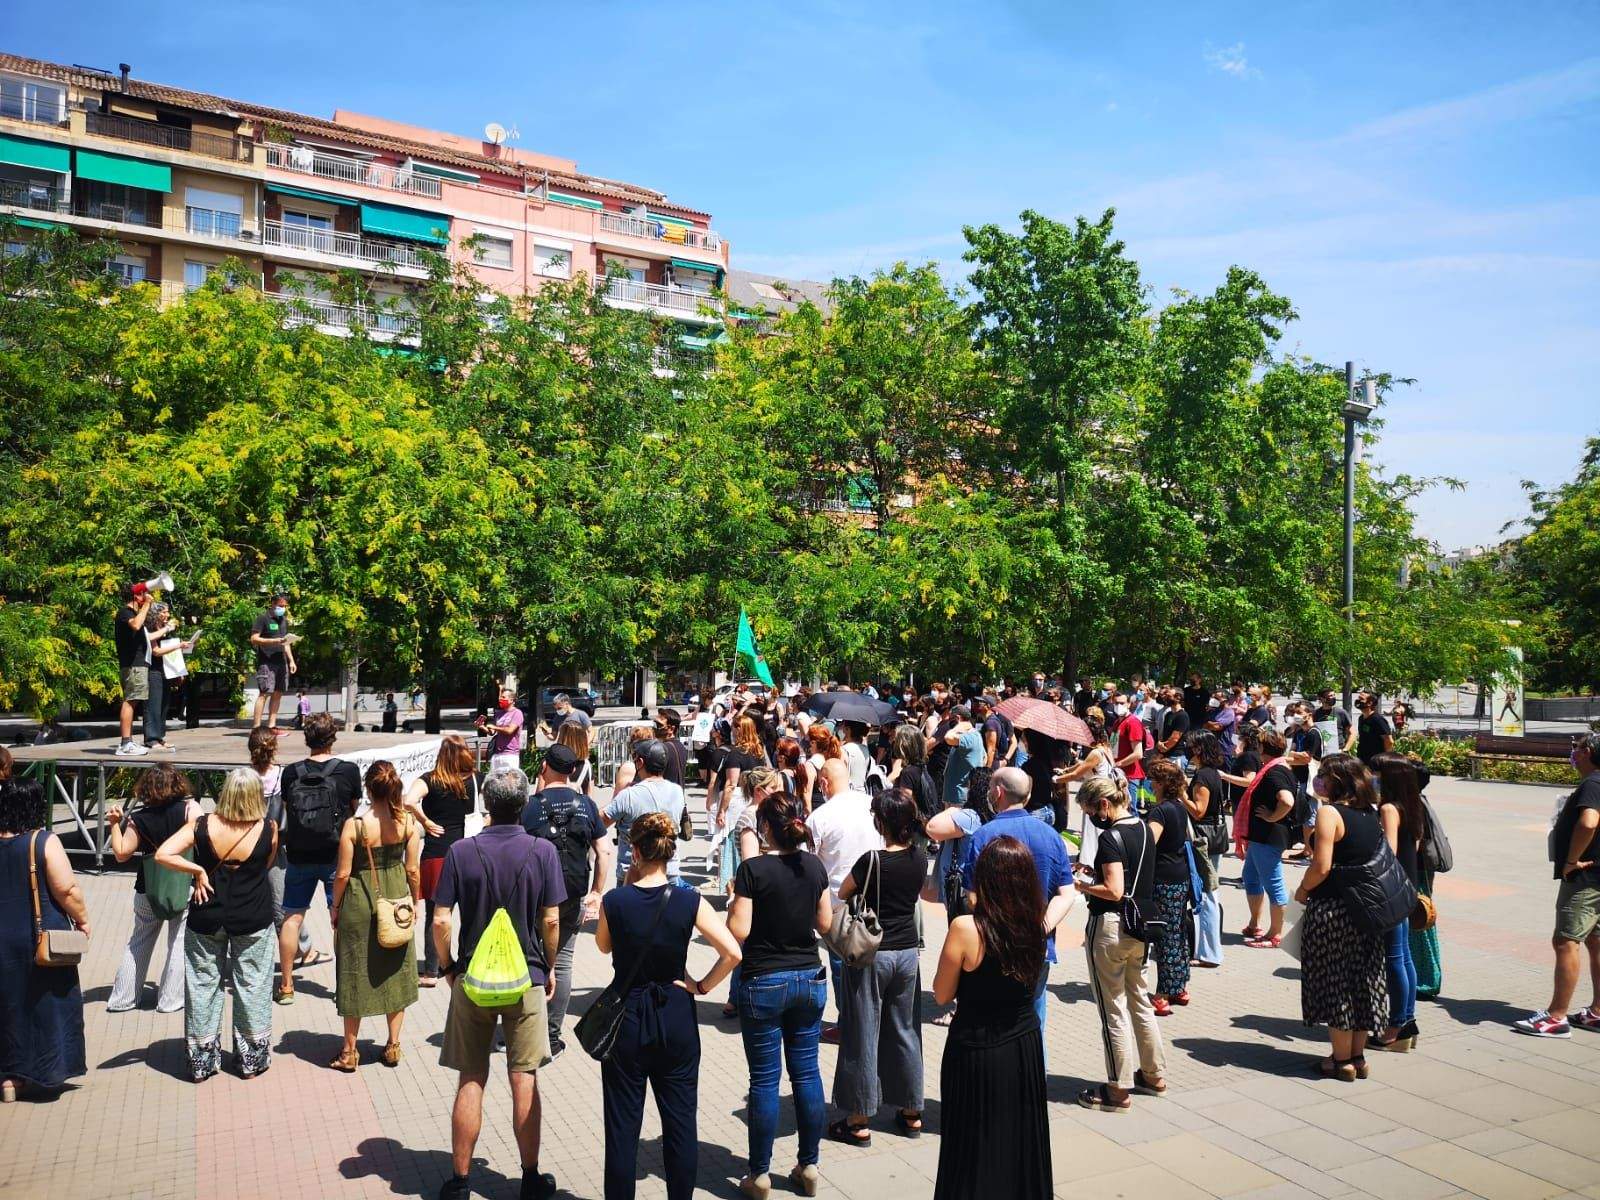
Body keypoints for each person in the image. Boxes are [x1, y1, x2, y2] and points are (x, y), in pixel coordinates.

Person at [432, 768, 565, 1200]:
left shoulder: (461, 851)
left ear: (485, 804)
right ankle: (529, 1179)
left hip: (473, 978)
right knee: (523, 1076)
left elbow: (439, 919)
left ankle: (460, 1181)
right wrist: (547, 966)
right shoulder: (542, 850)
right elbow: (551, 918)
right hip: (525, 978)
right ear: (524, 803)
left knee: (471, 1077)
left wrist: (448, 967)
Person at [596, 813, 740, 1200]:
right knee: (680, 1123)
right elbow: (732, 952)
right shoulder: (689, 900)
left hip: (628, 1015)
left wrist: (626, 886)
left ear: (637, 852)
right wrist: (702, 985)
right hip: (675, 1012)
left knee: (623, 1127)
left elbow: (604, 946)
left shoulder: (615, 901)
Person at [932, 837, 1052, 1196]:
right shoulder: (1036, 922)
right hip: (1023, 1045)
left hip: (977, 1047)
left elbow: (941, 993)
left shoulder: (967, 928)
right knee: (1019, 1141)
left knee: (972, 1145)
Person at [727, 792, 834, 1199]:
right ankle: (809, 1164)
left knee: (765, 1080)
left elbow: (739, 930)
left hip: (764, 980)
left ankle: (759, 1174)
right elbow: (824, 923)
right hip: (809, 976)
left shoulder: (753, 869)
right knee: (807, 1073)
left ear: (766, 828)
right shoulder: (814, 865)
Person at [156, 768, 277, 1081]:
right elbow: (266, 864)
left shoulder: (201, 824)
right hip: (253, 915)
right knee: (252, 985)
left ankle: (201, 1061)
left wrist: (197, 869)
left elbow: (163, 853)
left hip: (206, 912)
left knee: (202, 985)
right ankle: (250, 1059)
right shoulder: (268, 828)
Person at [830, 787, 929, 1145]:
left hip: (872, 953)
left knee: (863, 1030)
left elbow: (843, 893)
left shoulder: (871, 860)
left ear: (882, 821)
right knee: (905, 1029)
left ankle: (858, 1118)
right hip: (906, 954)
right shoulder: (919, 859)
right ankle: (911, 1110)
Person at [959, 767, 1073, 1050]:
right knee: (1034, 1021)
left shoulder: (984, 836)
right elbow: (1067, 894)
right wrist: (1041, 928)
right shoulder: (1051, 836)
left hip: (993, 947)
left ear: (996, 792)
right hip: (1038, 948)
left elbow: (972, 898)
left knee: (993, 1022)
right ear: (1029, 793)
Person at [1292, 755, 1389, 1081]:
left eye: (1322, 775)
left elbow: (1321, 866)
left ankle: (1340, 1060)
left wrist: (1303, 891)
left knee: (1337, 984)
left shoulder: (1329, 813)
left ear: (1336, 780)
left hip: (1333, 910)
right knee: (1362, 981)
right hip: (1366, 911)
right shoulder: (1370, 813)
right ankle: (1358, 1058)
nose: (1317, 780)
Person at [1073, 776, 1167, 1110]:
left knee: (1112, 1008)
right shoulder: (1144, 828)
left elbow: (1114, 890)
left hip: (1111, 925)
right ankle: (1154, 1074)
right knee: (1140, 1000)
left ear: (1103, 805)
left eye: (1089, 811)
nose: (1092, 819)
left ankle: (1117, 1089)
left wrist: (1082, 885)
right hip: (1139, 924)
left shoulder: (1111, 837)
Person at [329, 762, 422, 1071]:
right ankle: (393, 1046)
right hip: (396, 898)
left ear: (368, 789)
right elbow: (412, 869)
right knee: (395, 969)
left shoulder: (354, 827)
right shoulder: (408, 823)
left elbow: (342, 874)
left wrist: (335, 907)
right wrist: (416, 901)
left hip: (359, 899)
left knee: (353, 969)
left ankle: (349, 1051)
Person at [521, 743, 612, 1057]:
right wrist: (597, 892)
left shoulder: (531, 806)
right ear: (573, 770)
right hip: (573, 893)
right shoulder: (586, 804)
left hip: (536, 895)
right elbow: (604, 851)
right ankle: (553, 1036)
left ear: (545, 766)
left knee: (530, 959)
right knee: (562, 964)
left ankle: (525, 1031)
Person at [0, 779, 88, 1100]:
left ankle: (10, 1079)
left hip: (3, 940)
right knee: (49, 1003)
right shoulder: (42, 841)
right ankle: (49, 1072)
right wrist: (83, 920)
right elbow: (67, 889)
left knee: (9, 1008)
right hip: (39, 937)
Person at [1513, 731, 1600, 1038]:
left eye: (1576, 748)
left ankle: (1556, 1017)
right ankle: (1597, 1012)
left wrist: (1571, 860)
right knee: (1594, 941)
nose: (1573, 752)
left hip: (1586, 879)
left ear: (1588, 751)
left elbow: (1589, 822)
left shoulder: (1593, 783)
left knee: (1566, 941)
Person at [275, 713, 362, 1005]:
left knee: (291, 917)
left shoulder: (291, 773)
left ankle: (287, 985)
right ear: (333, 736)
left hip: (298, 854)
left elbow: (288, 809)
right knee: (340, 920)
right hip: (337, 855)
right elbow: (353, 809)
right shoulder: (348, 771)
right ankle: (343, 988)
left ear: (306, 738)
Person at [105, 764, 201, 1014]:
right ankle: (170, 1000)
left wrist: (115, 823)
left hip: (148, 887)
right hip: (184, 884)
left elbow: (122, 853)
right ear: (178, 783)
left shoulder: (139, 818)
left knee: (138, 941)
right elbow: (202, 839)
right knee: (179, 942)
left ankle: (122, 999)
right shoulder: (190, 809)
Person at [805, 759, 883, 1040]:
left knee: (842, 967)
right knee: (873, 959)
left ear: (824, 783)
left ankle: (849, 1022)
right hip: (876, 896)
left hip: (838, 905)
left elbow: (809, 864)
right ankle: (867, 1019)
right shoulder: (872, 803)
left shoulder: (820, 817)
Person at [404, 734, 477, 986]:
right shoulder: (468, 781)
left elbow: (408, 801)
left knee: (435, 914)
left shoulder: (430, 780)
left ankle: (432, 971)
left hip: (435, 854)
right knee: (469, 911)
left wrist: (426, 822)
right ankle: (468, 960)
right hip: (463, 852)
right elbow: (470, 812)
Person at [1372, 753, 1423, 1051]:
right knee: (1403, 955)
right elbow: (1412, 846)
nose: (1371, 776)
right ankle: (1408, 1019)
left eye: (1376, 772)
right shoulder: (1414, 804)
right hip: (1408, 885)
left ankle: (1396, 1026)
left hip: (1391, 888)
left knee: (1394, 957)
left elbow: (1388, 852)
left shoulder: (1389, 808)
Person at [1143, 758, 1194, 1016]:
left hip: (1162, 878)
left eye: (1154, 779)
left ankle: (1163, 993)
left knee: (1163, 935)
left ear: (1163, 783)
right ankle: (1179, 987)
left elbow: (1149, 842)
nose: (1150, 783)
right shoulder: (1179, 807)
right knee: (1177, 931)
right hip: (1180, 876)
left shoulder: (1160, 811)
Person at [1238, 728, 1297, 948]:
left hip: (1269, 837)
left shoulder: (1275, 772)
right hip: (1260, 837)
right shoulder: (1277, 767)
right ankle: (1255, 924)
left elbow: (1287, 800)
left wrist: (1272, 817)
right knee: (1251, 877)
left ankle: (1275, 934)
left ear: (1265, 747)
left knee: (1274, 883)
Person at [605, 740, 687, 887]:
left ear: (640, 762)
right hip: (668, 869)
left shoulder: (629, 795)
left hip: (633, 873)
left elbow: (601, 821)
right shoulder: (677, 791)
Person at [1184, 732, 1227, 968]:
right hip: (1212, 838)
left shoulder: (1202, 775)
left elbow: (1199, 810)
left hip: (1202, 839)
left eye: (1191, 747)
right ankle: (1207, 948)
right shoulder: (1213, 773)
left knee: (1206, 894)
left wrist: (1181, 794)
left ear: (1199, 749)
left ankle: (1209, 952)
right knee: (1209, 891)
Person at [143, 601, 189, 753]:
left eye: (168, 612)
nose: (167, 615)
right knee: (153, 705)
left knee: (164, 704)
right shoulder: (150, 627)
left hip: (167, 670)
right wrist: (177, 645)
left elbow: (172, 648)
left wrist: (179, 671)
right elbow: (156, 651)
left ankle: (160, 736)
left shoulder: (165, 629)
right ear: (156, 613)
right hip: (154, 670)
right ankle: (151, 738)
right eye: (164, 612)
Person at [114, 581, 154, 756]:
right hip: (133, 665)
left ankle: (128, 741)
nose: (146, 597)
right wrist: (147, 605)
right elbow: (136, 625)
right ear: (136, 596)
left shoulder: (131, 613)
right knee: (130, 700)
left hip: (137, 664)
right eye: (143, 594)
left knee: (134, 699)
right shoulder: (125, 613)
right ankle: (125, 743)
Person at [249, 589, 297, 732]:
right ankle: (256, 728)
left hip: (281, 661)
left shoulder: (283, 620)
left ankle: (272, 726)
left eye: (285, 606)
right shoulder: (262, 618)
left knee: (278, 693)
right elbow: (253, 639)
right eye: (280, 606)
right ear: (273, 604)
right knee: (264, 693)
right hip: (267, 662)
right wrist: (273, 640)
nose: (283, 609)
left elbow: (286, 642)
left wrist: (291, 661)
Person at [1111, 693, 1151, 809]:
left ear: (1129, 704)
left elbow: (1138, 753)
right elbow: (1114, 746)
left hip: (1129, 775)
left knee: (1130, 810)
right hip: (1118, 774)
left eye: (1122, 703)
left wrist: (1118, 764)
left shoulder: (1132, 723)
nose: (1119, 705)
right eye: (1116, 703)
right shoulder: (1117, 723)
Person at [940, 707, 985, 808]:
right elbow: (984, 757)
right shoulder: (974, 735)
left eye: (951, 719)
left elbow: (948, 738)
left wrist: (959, 726)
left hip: (959, 796)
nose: (949, 723)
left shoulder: (970, 737)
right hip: (954, 794)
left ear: (957, 718)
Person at [477, 687, 525, 775]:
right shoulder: (499, 713)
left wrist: (495, 727)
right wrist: (482, 727)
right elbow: (492, 732)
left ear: (511, 700)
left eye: (503, 697)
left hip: (510, 754)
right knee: (495, 783)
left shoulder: (517, 713)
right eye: (500, 697)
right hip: (497, 754)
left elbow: (510, 730)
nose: (500, 699)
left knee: (510, 783)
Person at [1311, 688, 1357, 756]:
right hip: (1321, 751)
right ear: (1322, 699)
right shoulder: (1315, 714)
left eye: (1334, 695)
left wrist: (1345, 749)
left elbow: (1353, 733)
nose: (1333, 697)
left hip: (1338, 751)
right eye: (1330, 696)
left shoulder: (1341, 712)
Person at [556, 720, 595, 797]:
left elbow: (540, 792)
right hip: (577, 807)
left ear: (562, 739)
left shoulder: (551, 762)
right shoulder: (586, 766)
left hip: (553, 807)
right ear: (582, 742)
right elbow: (590, 798)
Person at [1354, 691, 1393, 765]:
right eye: (1358, 698)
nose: (1358, 701)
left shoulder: (1377, 719)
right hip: (1363, 760)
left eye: (1361, 699)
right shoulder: (1361, 718)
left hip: (1376, 762)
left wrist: (1386, 760)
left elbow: (1389, 741)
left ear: (1370, 703)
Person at [1156, 687, 1191, 768]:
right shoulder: (1169, 715)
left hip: (1176, 757)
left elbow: (1174, 738)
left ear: (1178, 698)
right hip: (1166, 756)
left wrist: (1162, 748)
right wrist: (1160, 746)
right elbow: (1165, 735)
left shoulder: (1182, 716)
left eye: (1168, 696)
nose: (1165, 698)